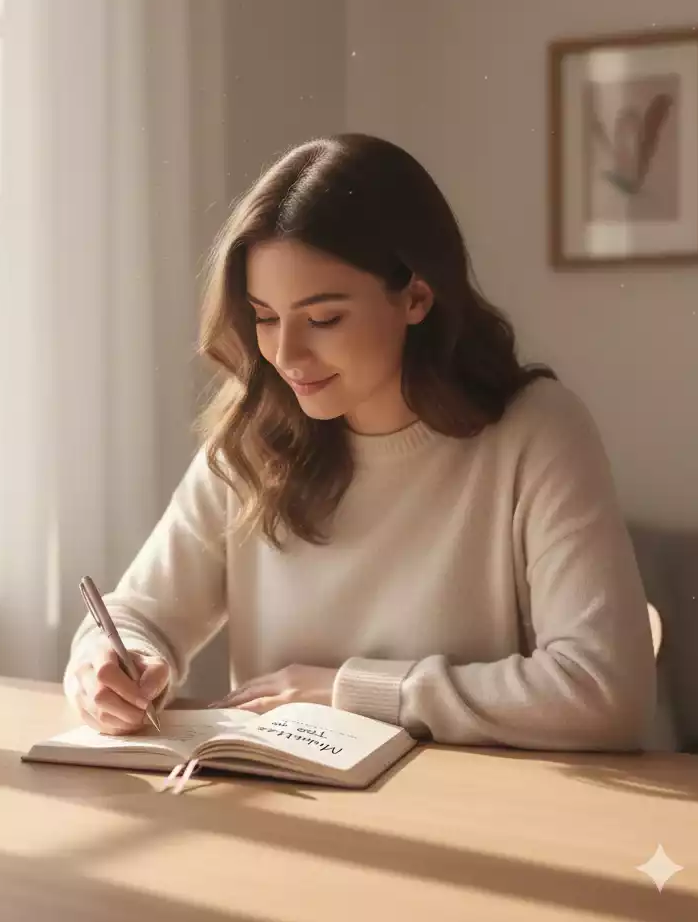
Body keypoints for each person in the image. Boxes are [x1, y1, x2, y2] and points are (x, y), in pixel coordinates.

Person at [62, 133, 657, 750]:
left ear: (417, 296)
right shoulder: (255, 436)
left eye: (323, 319)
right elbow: (137, 614)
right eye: (265, 316)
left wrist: (353, 691)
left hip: (476, 820)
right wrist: (109, 663)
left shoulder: (536, 432)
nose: (286, 355)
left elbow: (604, 690)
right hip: (296, 817)